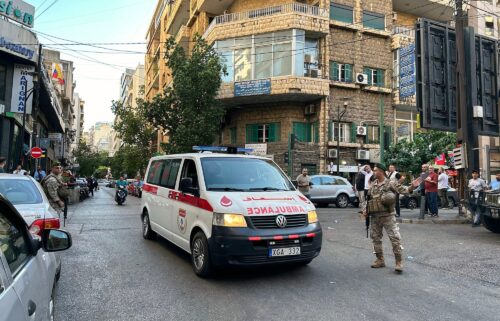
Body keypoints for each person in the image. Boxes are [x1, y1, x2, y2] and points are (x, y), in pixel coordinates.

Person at [362, 163, 416, 273]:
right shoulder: (373, 184)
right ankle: (380, 260)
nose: (374, 172)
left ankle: (398, 262)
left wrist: (411, 187)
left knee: (395, 239)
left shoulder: (390, 183)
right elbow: (368, 199)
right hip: (375, 216)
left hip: (388, 216)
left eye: (376, 170)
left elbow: (403, 190)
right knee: (375, 239)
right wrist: (365, 210)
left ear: (381, 171)